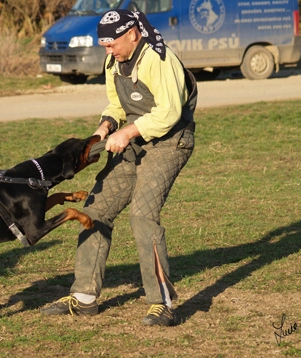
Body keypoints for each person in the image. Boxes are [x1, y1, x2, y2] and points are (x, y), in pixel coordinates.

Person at [40, 9, 197, 327]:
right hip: (134, 143)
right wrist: (104, 129)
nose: (107, 52)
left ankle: (162, 303)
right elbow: (116, 105)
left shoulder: (158, 58)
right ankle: (84, 298)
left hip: (170, 142)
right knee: (95, 210)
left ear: (133, 35)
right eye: (104, 45)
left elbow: (169, 112)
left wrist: (126, 132)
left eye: (111, 44)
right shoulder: (113, 60)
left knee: (142, 214)